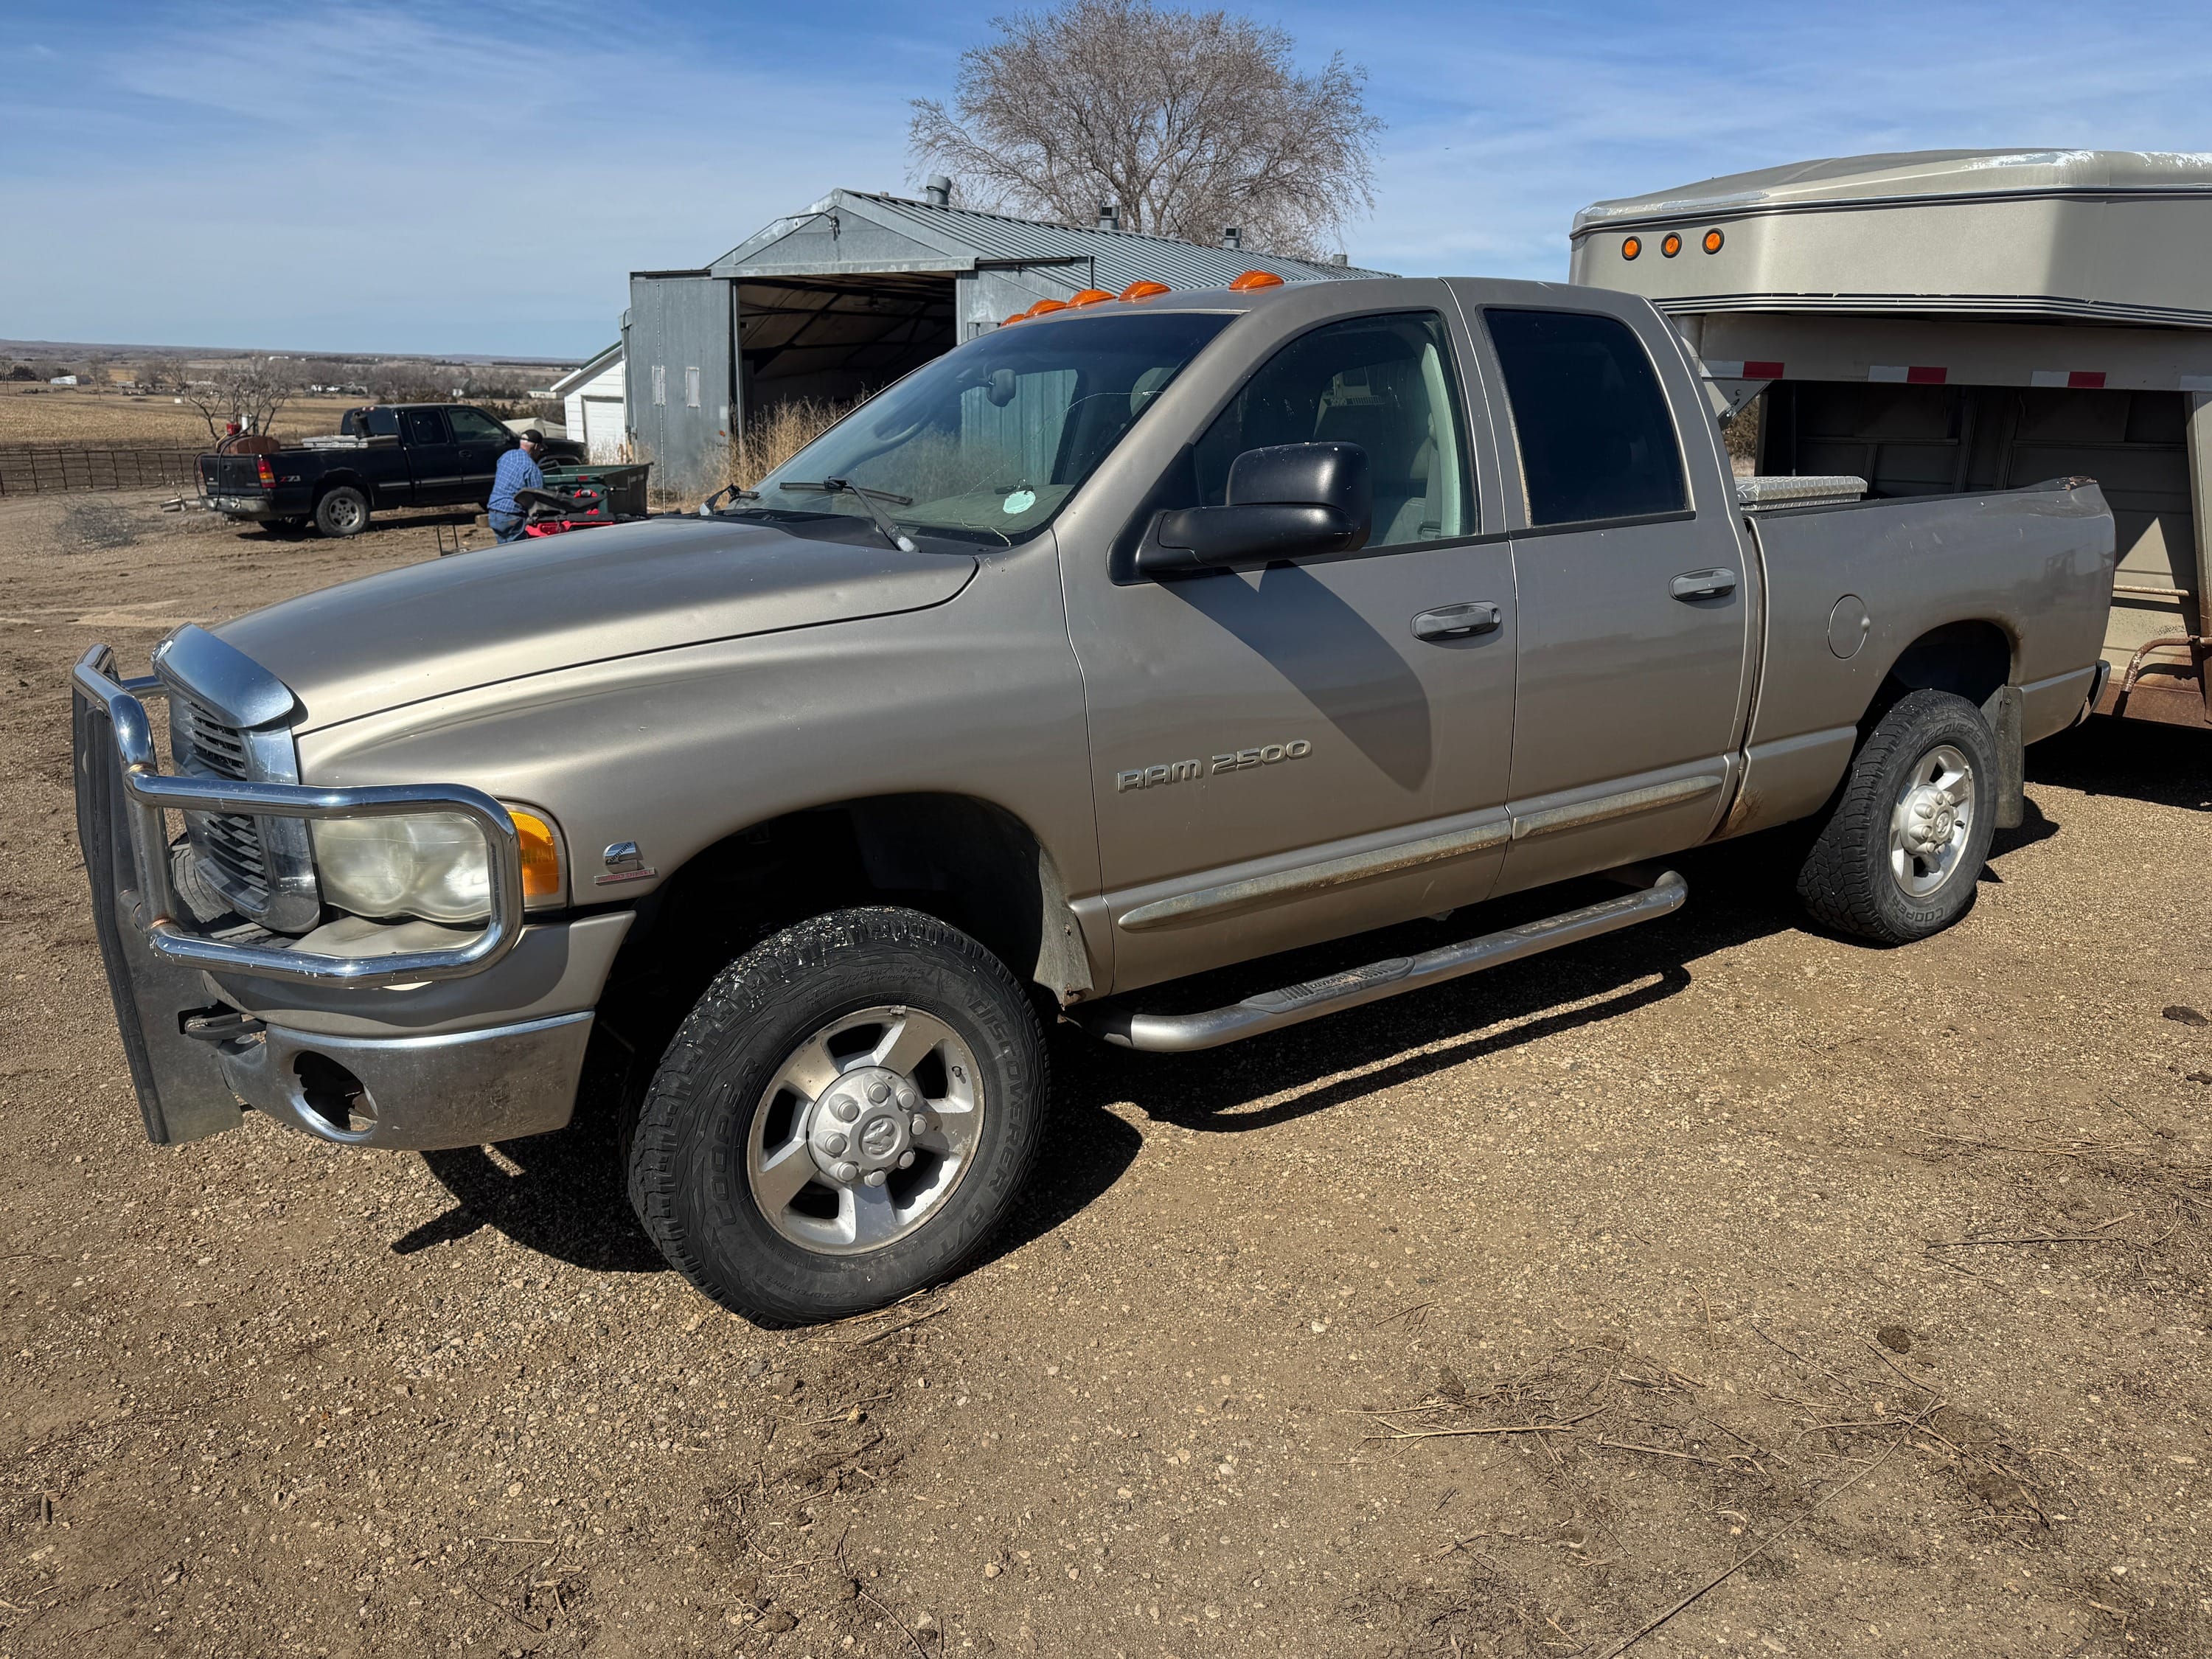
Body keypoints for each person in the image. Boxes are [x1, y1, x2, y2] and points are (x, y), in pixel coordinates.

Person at [487, 429, 546, 543]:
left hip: (494, 512)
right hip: (512, 516)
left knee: (503, 550)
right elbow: (538, 499)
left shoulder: (506, 456)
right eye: (540, 449)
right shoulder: (531, 468)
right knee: (517, 551)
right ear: (536, 447)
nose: (540, 452)